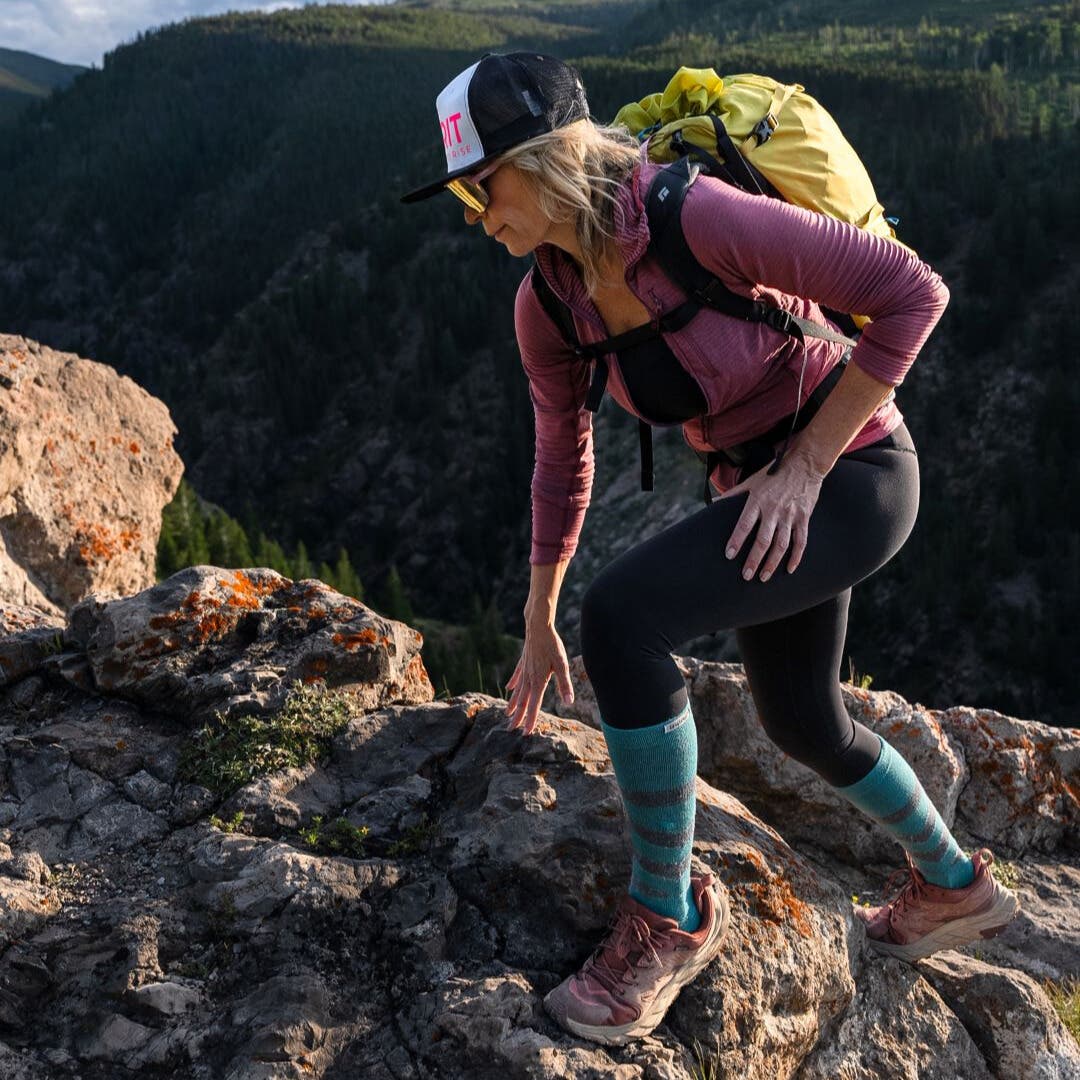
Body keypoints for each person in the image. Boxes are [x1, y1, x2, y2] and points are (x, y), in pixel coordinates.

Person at [402, 52, 1020, 1046]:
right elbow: (564, 452)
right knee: (801, 720)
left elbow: (913, 293)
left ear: (551, 159)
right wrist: (533, 618)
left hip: (854, 472)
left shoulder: (695, 217)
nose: (476, 214)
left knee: (629, 620)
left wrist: (808, 464)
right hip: (767, 489)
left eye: (482, 184)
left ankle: (669, 918)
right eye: (461, 197)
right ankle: (955, 885)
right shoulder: (551, 301)